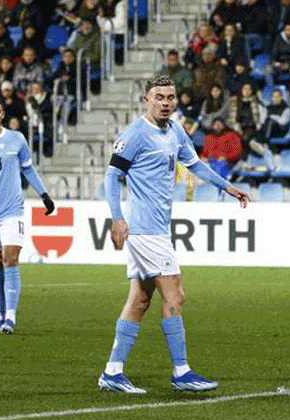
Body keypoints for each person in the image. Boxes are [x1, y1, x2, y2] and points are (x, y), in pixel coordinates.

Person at [98, 76, 250, 394]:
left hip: (156, 228)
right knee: (175, 294)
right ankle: (181, 371)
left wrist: (228, 187)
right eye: (159, 97)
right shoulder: (136, 134)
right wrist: (117, 218)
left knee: (139, 300)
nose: (165, 102)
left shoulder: (175, 131)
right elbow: (112, 177)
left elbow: (196, 165)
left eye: (170, 97)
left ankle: (112, 372)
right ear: (146, 100)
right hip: (145, 230)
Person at [0, 95, 55, 334]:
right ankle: (0, 317)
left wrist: (44, 195)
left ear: (3, 114)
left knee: (10, 259)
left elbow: (28, 169)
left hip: (12, 211)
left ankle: (10, 318)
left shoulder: (16, 139)